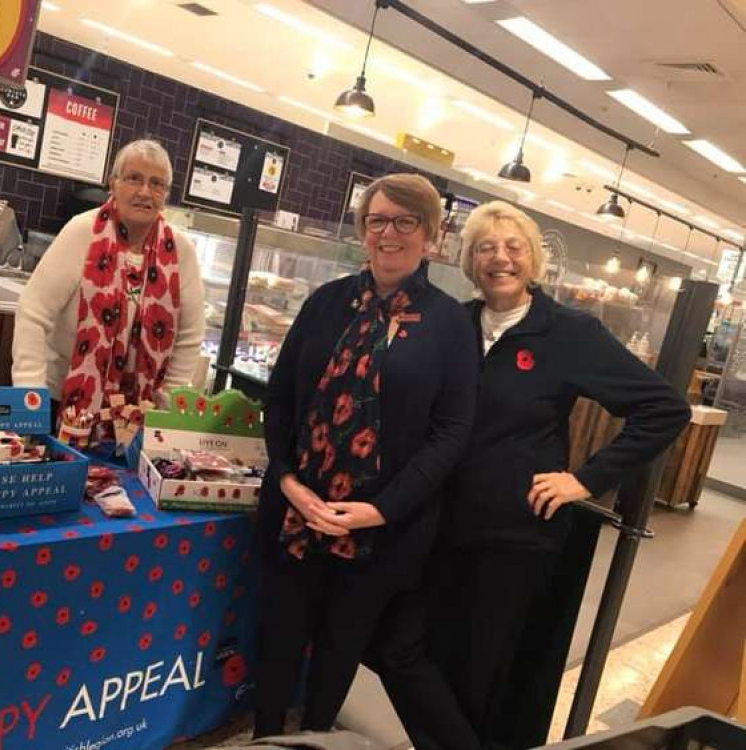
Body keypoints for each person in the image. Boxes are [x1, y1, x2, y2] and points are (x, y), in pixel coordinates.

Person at [376, 200, 691, 750]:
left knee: (476, 676)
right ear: (469, 261)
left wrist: (586, 479)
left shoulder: (569, 333)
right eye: (485, 248)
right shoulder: (453, 324)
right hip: (435, 525)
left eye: (513, 246)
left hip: (512, 536)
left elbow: (664, 409)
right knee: (394, 645)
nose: (500, 258)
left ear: (533, 259)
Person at [254, 173, 479, 740]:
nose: (390, 233)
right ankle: (265, 738)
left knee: (338, 652)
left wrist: (378, 510)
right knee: (278, 642)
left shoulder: (450, 323)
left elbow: (451, 434)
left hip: (381, 531)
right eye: (377, 220)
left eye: (406, 221)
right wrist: (286, 480)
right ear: (362, 229)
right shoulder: (326, 302)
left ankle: (315, 737)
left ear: (430, 234)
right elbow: (279, 400)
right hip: (296, 514)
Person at [12, 139, 205, 440]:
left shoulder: (181, 250)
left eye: (156, 184)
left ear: (165, 196)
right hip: (60, 403)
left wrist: (166, 408)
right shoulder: (82, 231)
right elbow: (33, 314)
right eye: (133, 178)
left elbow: (190, 336)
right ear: (113, 184)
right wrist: (29, 397)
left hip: (139, 415)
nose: (144, 191)